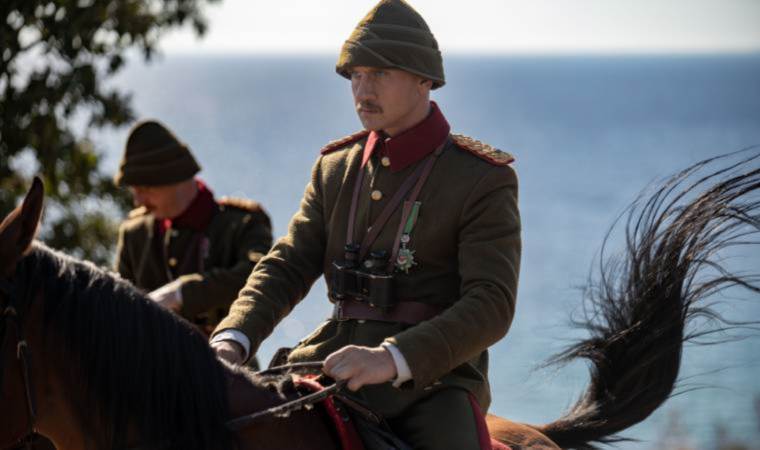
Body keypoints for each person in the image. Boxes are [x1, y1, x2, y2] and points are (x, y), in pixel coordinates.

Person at [211, 0, 521, 448]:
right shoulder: (336, 167)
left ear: (424, 79)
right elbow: (288, 264)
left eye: (379, 73)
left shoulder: (480, 178)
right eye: (355, 75)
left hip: (431, 385)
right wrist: (234, 337)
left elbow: (492, 303)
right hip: (326, 362)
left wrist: (392, 358)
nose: (363, 89)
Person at [113, 120, 273, 359]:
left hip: (227, 368)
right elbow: (119, 307)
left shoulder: (242, 223)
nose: (138, 201)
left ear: (174, 177)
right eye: (134, 191)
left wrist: (181, 293)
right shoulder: (134, 234)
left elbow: (262, 277)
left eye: (145, 188)